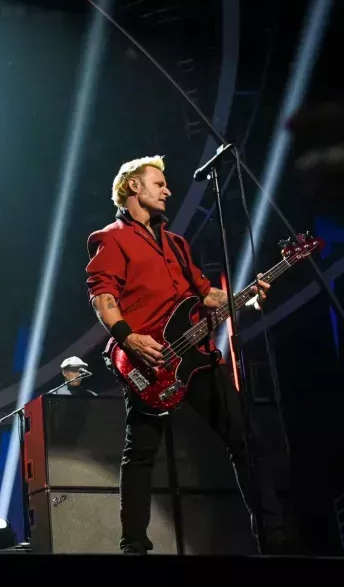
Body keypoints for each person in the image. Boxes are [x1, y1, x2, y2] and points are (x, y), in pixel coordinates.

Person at [84, 155, 291, 554]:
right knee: (141, 452)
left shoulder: (177, 244)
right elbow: (102, 296)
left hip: (196, 357)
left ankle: (274, 537)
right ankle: (134, 544)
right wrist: (128, 338)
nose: (168, 190)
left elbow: (203, 293)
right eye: (159, 183)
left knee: (244, 438)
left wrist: (244, 297)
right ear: (133, 188)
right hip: (148, 361)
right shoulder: (109, 238)